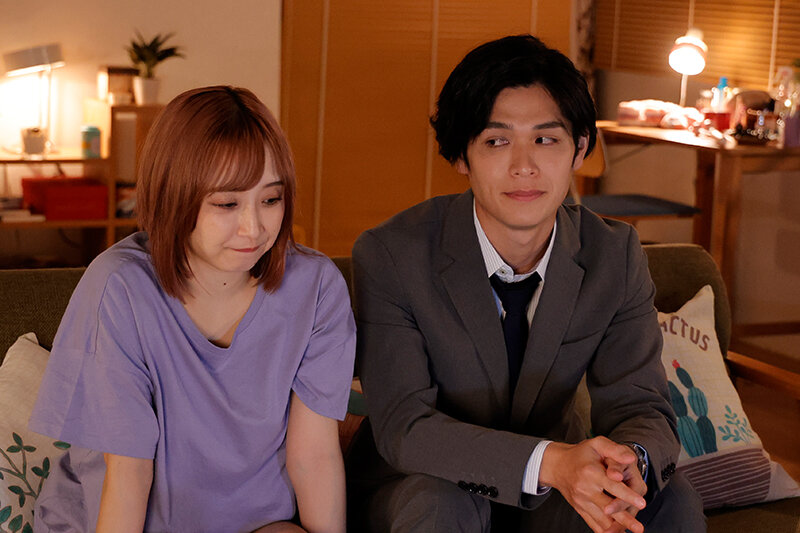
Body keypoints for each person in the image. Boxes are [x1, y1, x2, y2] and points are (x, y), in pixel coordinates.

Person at [348, 35, 705, 532]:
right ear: (461, 156)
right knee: (440, 503)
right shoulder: (392, 255)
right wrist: (552, 463)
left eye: (546, 139)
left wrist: (628, 464)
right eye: (497, 141)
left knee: (669, 500)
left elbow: (640, 404)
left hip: (550, 496)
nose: (524, 166)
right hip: (421, 486)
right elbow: (407, 427)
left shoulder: (614, 254)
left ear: (579, 149)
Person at [29, 86, 356, 533]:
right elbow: (128, 475)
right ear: (174, 197)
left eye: (270, 199)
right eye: (226, 204)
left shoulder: (316, 288)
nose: (253, 228)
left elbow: (313, 456)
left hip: (257, 522)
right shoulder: (120, 288)